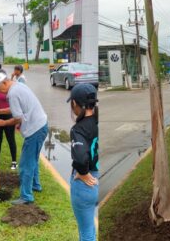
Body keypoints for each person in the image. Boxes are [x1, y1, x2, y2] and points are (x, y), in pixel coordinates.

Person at [0, 72, 48, 205]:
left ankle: (26, 197)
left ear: (4, 83)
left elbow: (18, 118)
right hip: (41, 125)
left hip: (35, 129)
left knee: (25, 164)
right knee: (32, 159)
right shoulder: (18, 86)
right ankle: (35, 185)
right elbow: (18, 108)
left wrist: (2, 123)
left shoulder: (12, 94)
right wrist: (0, 111)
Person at [67, 83, 99, 240]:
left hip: (86, 185)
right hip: (98, 179)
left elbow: (80, 158)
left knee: (86, 231)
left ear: (74, 103)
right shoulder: (98, 122)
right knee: (90, 227)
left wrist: (83, 173)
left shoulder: (78, 129)